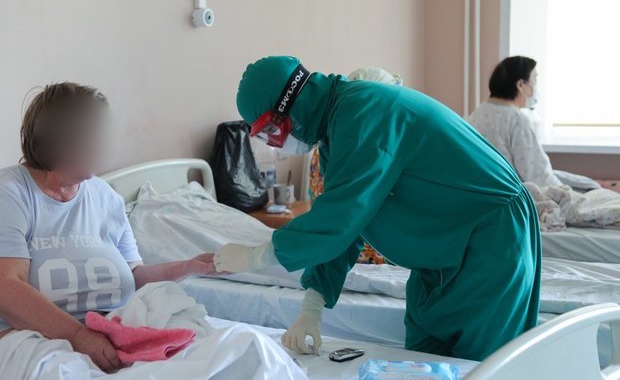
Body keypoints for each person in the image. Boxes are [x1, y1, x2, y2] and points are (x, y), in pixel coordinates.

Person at [214, 56, 541, 361]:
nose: (276, 144)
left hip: (490, 241)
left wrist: (257, 256)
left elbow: (338, 220)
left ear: (291, 108)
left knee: (480, 367)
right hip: (440, 255)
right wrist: (312, 308)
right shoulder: (336, 134)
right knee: (421, 363)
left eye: (272, 132)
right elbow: (350, 222)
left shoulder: (363, 111)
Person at [0, 83, 219, 373]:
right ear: (55, 137)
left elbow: (134, 275)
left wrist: (188, 266)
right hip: (39, 339)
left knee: (216, 343)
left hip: (115, 328)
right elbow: (7, 287)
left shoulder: (106, 196)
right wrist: (80, 337)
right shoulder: (11, 193)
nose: (100, 145)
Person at [468, 56, 562, 188]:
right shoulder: (517, 119)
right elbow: (538, 176)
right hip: (509, 195)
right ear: (521, 85)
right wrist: (569, 193)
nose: (535, 87)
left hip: (483, 191)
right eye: (535, 80)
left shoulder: (477, 113)